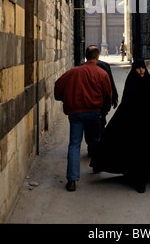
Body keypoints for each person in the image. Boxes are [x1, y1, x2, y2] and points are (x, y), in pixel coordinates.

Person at [92, 59, 150, 193]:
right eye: (138, 68)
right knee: (135, 150)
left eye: (143, 68)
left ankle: (146, 173)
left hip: (148, 121)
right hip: (133, 121)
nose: (141, 70)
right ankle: (138, 179)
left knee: (148, 149)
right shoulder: (131, 80)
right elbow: (128, 99)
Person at [54, 47, 112, 192]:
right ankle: (96, 165)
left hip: (76, 113)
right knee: (95, 139)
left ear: (85, 57)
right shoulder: (102, 73)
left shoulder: (73, 72)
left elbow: (58, 85)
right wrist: (103, 111)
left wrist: (64, 98)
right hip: (94, 113)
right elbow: (107, 95)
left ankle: (72, 180)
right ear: (97, 57)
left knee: (74, 144)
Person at [84, 45, 119, 155]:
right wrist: (114, 98)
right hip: (100, 104)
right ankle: (97, 150)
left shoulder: (80, 68)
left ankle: (92, 148)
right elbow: (110, 85)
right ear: (98, 57)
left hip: (86, 104)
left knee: (89, 128)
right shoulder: (105, 66)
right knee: (100, 126)